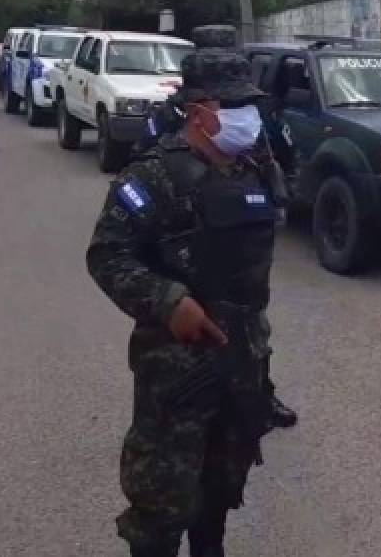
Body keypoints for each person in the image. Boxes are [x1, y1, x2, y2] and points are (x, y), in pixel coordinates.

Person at [87, 44, 287, 556]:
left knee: (221, 484)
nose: (249, 117)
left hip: (242, 356)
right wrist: (167, 298)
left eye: (251, 105)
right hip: (177, 370)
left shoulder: (254, 169)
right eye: (234, 106)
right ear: (199, 114)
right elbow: (108, 254)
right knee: (162, 497)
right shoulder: (154, 176)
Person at [135, 26, 298, 431]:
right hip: (191, 236)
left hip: (241, 235)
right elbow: (147, 157)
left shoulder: (246, 110)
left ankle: (259, 392)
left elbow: (273, 152)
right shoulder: (171, 114)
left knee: (253, 323)